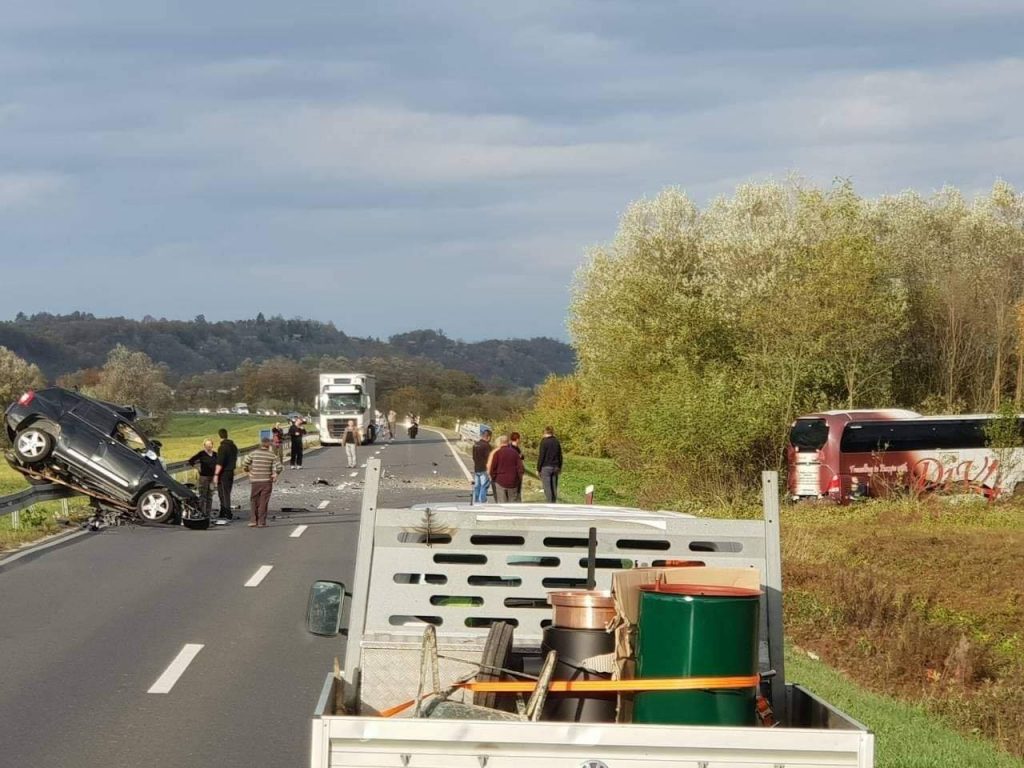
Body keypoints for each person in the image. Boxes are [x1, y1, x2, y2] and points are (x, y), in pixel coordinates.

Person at [241, 435, 283, 527]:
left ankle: (253, 521)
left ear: (260, 444)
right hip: (267, 481)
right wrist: (275, 474)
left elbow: (245, 463)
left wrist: (249, 472)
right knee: (264, 501)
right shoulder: (272, 455)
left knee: (254, 500)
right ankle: (261, 522)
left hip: (255, 480)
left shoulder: (253, 453)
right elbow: (279, 466)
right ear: (269, 445)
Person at [187, 439, 217, 519]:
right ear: (204, 446)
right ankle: (201, 513)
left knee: (210, 496)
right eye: (207, 445)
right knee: (202, 496)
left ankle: (208, 513)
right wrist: (197, 468)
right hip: (203, 477)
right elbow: (191, 461)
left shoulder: (215, 454)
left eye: (210, 445)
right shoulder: (201, 454)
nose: (208, 447)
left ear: (212, 445)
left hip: (212, 477)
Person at [489, 434, 524, 503]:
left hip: (500, 480)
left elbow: (493, 468)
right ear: (508, 442)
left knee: (502, 503)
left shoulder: (497, 453)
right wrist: (519, 479)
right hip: (513, 481)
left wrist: (494, 478)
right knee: (513, 503)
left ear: (500, 442)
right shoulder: (515, 453)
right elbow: (520, 468)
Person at [213, 428, 238, 519]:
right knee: (226, 492)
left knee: (223, 493)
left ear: (219, 436)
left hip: (224, 473)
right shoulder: (233, 446)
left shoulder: (222, 447)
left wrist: (216, 475)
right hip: (231, 472)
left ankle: (227, 512)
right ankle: (223, 512)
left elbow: (220, 462)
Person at [537, 426, 564, 503]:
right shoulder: (556, 441)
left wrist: (538, 468)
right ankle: (554, 502)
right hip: (555, 467)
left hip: (546, 467)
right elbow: (560, 455)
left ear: (545, 432)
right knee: (554, 487)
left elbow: (541, 456)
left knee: (547, 487)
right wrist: (560, 467)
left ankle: (549, 503)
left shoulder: (544, 441)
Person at [472, 428, 493, 504]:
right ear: (488, 437)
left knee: (477, 486)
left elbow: (473, 457)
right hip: (484, 469)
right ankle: (482, 501)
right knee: (484, 485)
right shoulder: (487, 446)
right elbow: (489, 458)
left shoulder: (475, 444)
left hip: (477, 468)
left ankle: (476, 500)